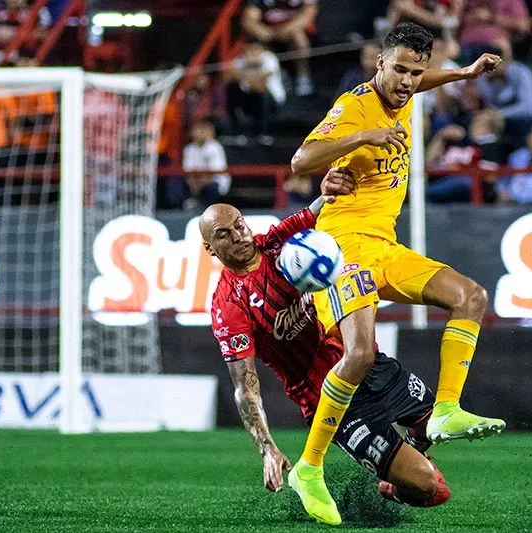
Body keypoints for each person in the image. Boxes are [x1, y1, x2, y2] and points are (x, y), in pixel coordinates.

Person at [289, 22, 506, 523]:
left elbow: (422, 81)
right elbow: (302, 160)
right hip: (344, 248)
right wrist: (363, 137)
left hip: (384, 247)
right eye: (400, 70)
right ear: (379, 63)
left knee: (470, 296)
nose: (408, 81)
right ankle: (310, 466)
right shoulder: (354, 107)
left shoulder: (405, 92)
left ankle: (446, 409)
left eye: (416, 72)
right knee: (360, 354)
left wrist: (463, 73)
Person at [201, 170, 450, 527]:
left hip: (366, 363)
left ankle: (404, 458)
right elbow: (245, 385)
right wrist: (267, 448)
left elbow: (318, 209)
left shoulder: (275, 243)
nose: (239, 236)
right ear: (210, 248)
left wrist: (329, 189)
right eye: (223, 234)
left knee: (439, 423)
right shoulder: (229, 305)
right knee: (431, 489)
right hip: (330, 400)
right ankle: (395, 483)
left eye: (239, 225)